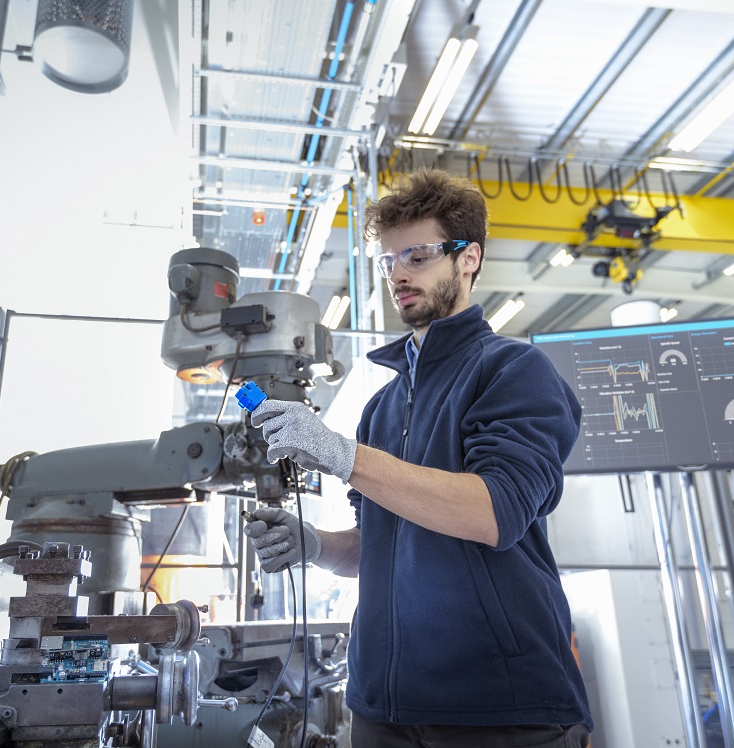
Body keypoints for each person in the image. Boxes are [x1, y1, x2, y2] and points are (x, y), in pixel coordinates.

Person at [244, 167, 591, 747]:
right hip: (382, 707)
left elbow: (494, 513)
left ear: (468, 258)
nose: (399, 273)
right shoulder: (381, 405)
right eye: (389, 261)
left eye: (419, 256)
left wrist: (340, 455)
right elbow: (382, 544)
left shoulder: (512, 370)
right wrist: (317, 546)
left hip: (498, 708)